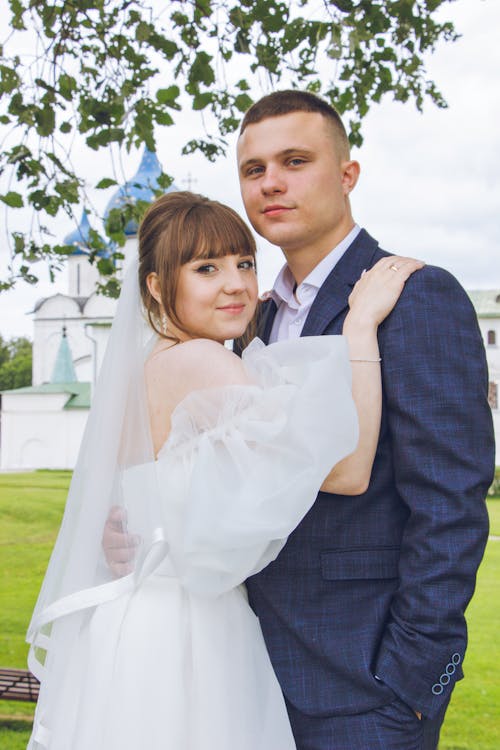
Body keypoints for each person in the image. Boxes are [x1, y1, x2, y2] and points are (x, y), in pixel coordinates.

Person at [27, 191, 421, 750]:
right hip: (189, 633)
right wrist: (359, 327)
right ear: (158, 287)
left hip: (137, 622)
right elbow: (348, 470)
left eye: (242, 262)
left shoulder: (150, 367)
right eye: (206, 268)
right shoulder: (201, 362)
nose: (235, 283)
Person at [233, 90, 494, 750]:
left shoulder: (415, 297)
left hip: (364, 692)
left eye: (295, 160)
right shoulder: (255, 321)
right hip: (247, 673)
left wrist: (410, 684)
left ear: (348, 174)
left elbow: (451, 506)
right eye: (254, 169)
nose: (272, 183)